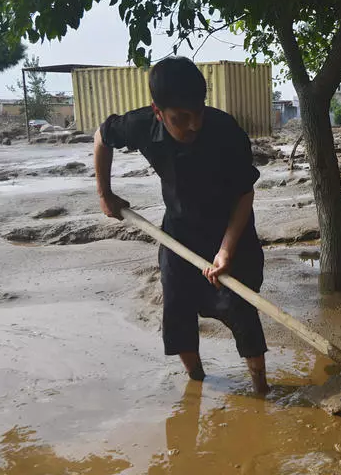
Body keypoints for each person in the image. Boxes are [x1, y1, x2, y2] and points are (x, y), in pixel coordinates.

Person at [93, 57, 269, 394]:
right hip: (179, 232)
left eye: (198, 113)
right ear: (157, 112)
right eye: (180, 118)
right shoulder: (141, 125)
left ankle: (262, 388)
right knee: (177, 307)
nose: (193, 125)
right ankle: (197, 384)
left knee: (241, 308)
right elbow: (102, 137)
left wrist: (225, 250)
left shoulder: (225, 131)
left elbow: (244, 194)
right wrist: (105, 194)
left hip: (231, 229)